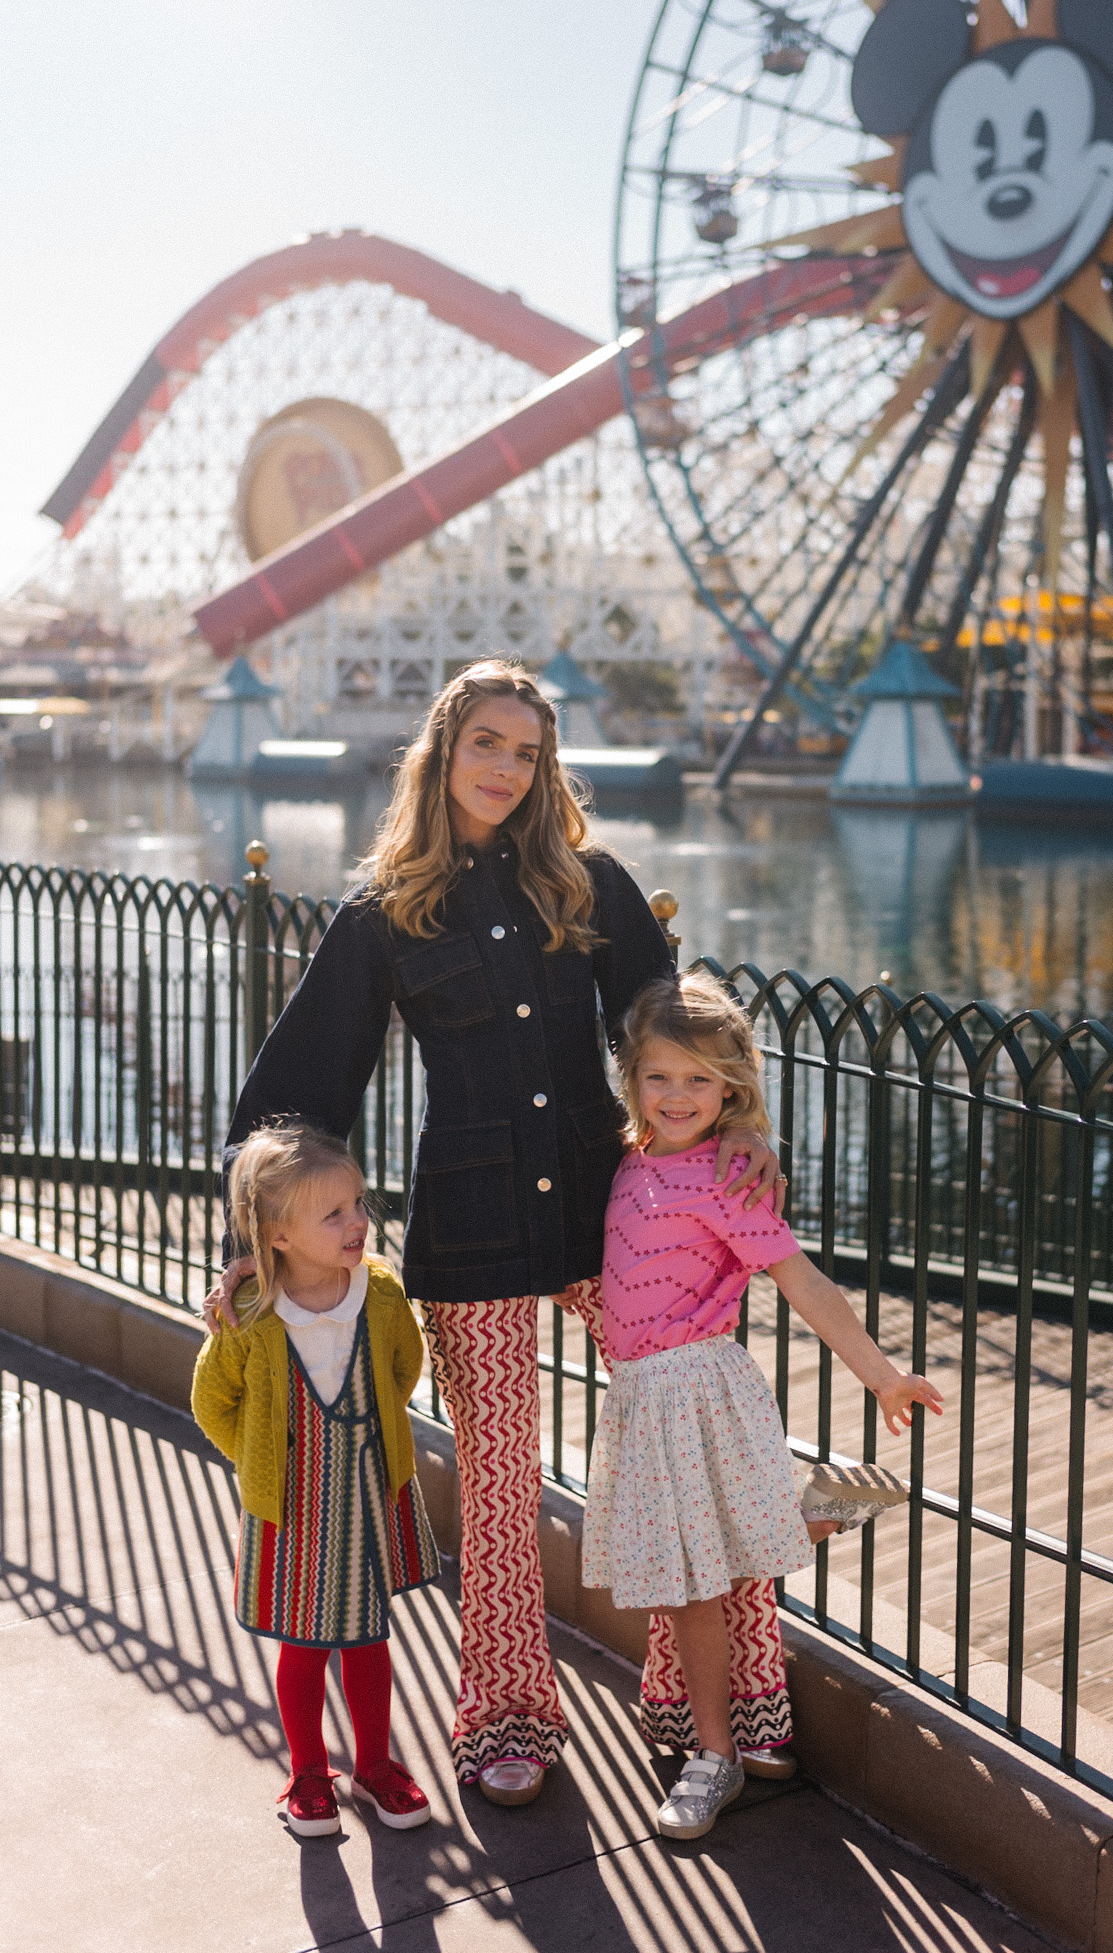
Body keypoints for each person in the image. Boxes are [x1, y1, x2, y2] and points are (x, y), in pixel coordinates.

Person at [205, 659, 788, 1807]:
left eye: (526, 752)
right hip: (468, 1229)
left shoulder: (592, 883)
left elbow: (673, 1036)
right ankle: (507, 1716)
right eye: (487, 743)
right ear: (443, 749)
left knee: (693, 1444)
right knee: (499, 1483)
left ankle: (723, 1695)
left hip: (610, 1217)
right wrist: (252, 1237)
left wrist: (746, 1129)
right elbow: (303, 1084)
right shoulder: (386, 909)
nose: (505, 769)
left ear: (544, 768)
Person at [582, 974, 945, 1840]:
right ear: (633, 1078)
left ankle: (716, 1759)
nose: (676, 1096)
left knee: (692, 1583)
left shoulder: (725, 1178)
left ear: (732, 1089)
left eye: (699, 1081)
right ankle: (816, 1510)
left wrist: (880, 1374)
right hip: (638, 1397)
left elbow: (802, 1282)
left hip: (698, 1390)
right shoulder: (629, 1160)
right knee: (691, 1568)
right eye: (660, 1076)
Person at [192, 1119, 440, 1839]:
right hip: (293, 1507)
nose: (358, 1222)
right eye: (333, 1214)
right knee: (302, 1648)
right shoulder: (249, 1316)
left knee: (368, 1639)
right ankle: (307, 1771)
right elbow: (213, 1403)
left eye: (358, 1203)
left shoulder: (382, 1295)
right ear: (277, 1235)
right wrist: (263, 1456)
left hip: (367, 1494)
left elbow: (403, 1369)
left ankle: (374, 1764)